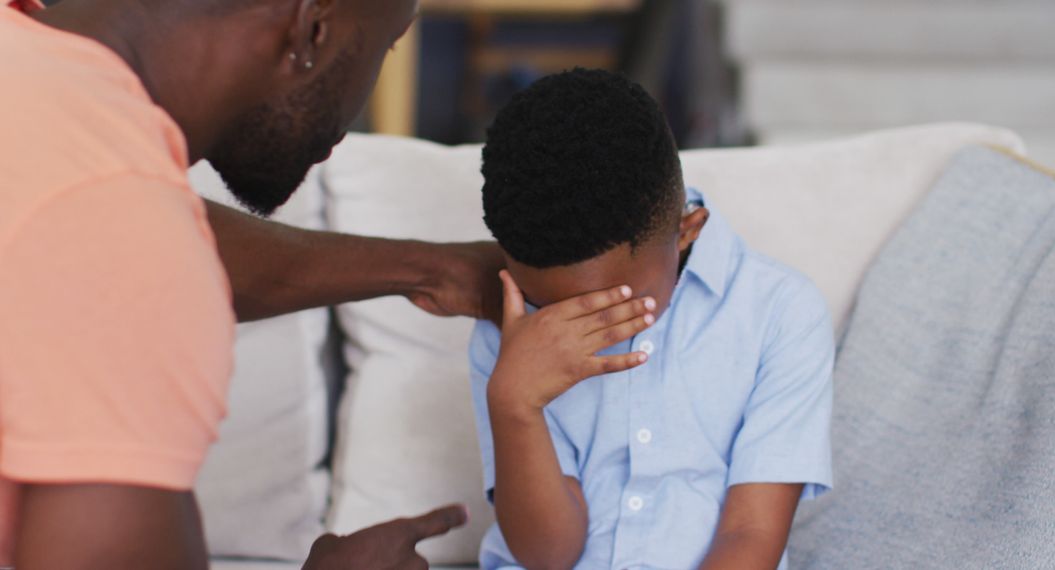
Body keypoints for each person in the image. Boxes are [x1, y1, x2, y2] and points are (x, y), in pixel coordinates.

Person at [0, 0, 655, 568]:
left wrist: (432, 269)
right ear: (312, 30)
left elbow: (89, 230)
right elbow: (116, 241)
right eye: (385, 44)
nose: (367, 94)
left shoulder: (32, 80)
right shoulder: (121, 229)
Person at [469, 68, 835, 569]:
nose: (582, 328)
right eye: (550, 307)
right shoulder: (509, 330)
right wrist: (514, 404)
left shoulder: (779, 313)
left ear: (687, 230)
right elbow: (547, 556)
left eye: (616, 303)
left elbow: (750, 536)